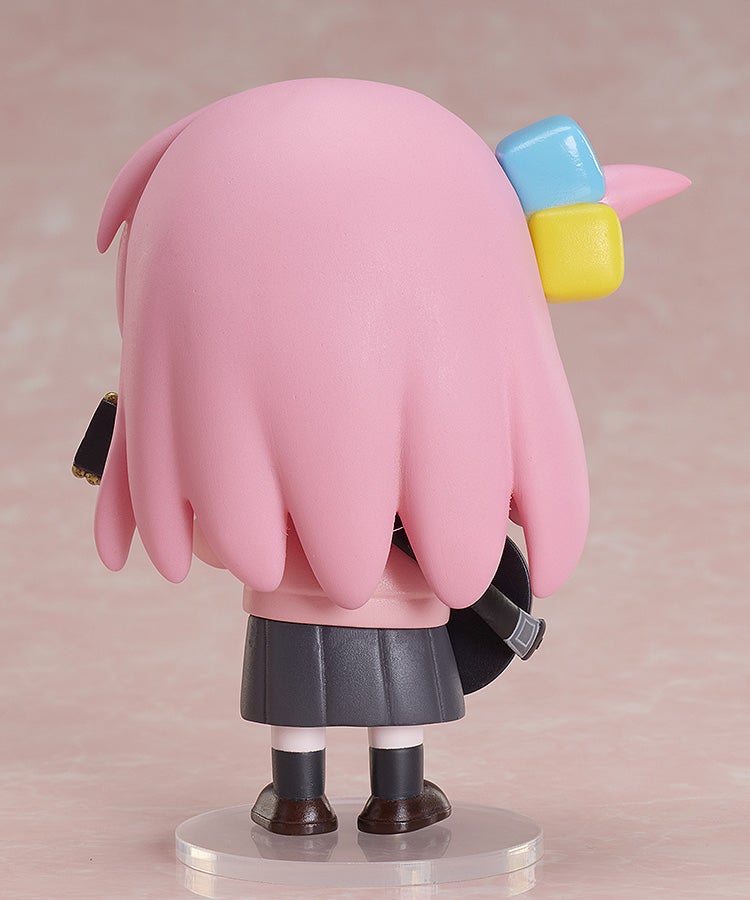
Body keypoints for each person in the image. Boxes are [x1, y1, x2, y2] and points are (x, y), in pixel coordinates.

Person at [86, 78, 688, 835]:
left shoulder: (235, 460)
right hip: (406, 602)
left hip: (289, 610)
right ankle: (398, 799)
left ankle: (299, 802)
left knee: (297, 711)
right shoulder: (439, 473)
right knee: (398, 712)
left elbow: (213, 538)